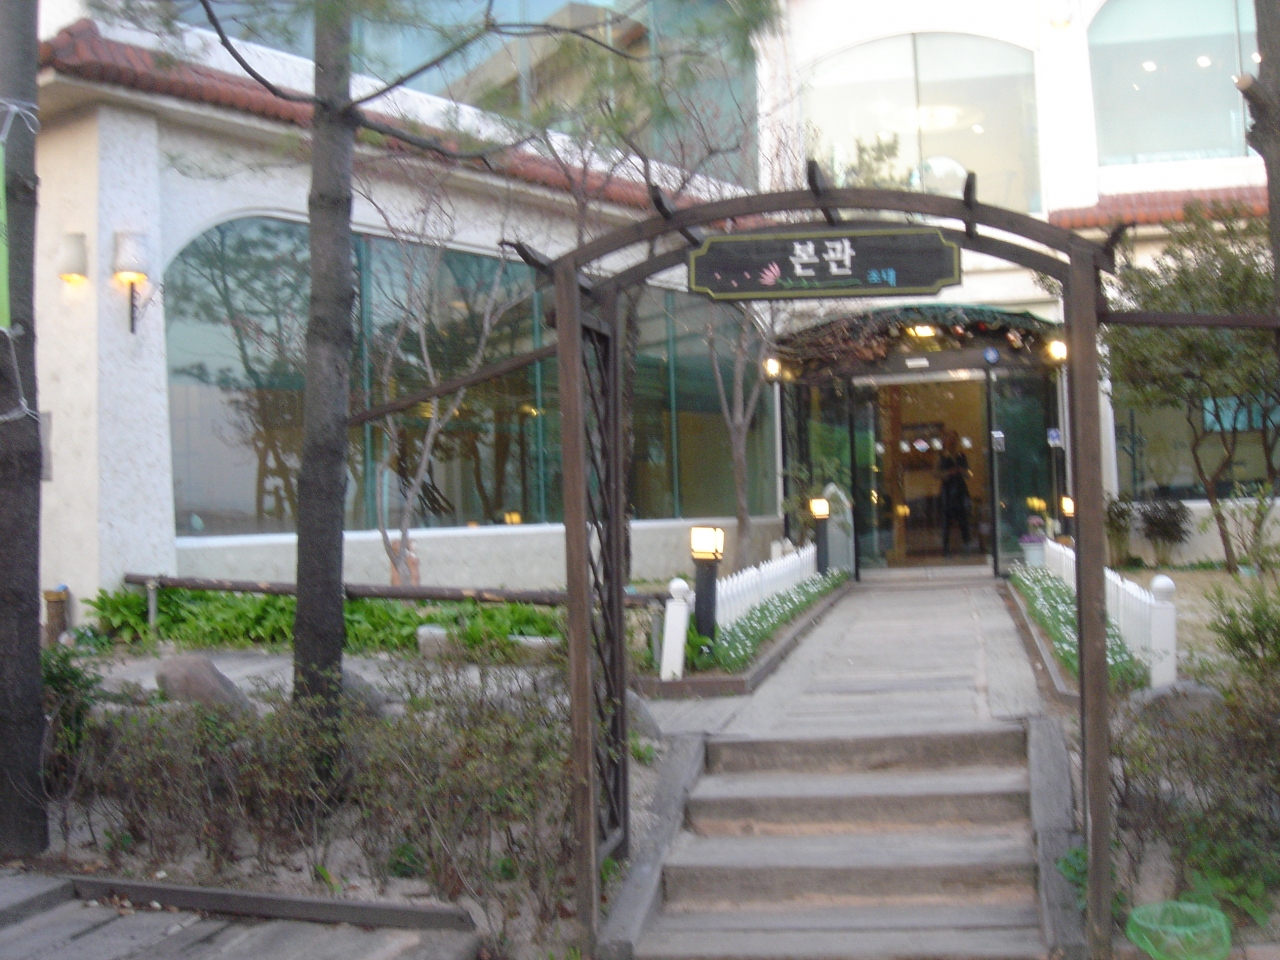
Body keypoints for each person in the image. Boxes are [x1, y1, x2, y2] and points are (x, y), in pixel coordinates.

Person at [938, 430, 971, 555]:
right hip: (947, 491)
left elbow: (969, 474)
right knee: (946, 521)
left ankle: (966, 545)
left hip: (961, 490)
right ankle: (946, 548)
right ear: (946, 441)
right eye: (950, 439)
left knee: (964, 519)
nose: (952, 441)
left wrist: (962, 471)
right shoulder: (941, 457)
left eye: (954, 439)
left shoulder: (962, 456)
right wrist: (948, 473)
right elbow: (935, 473)